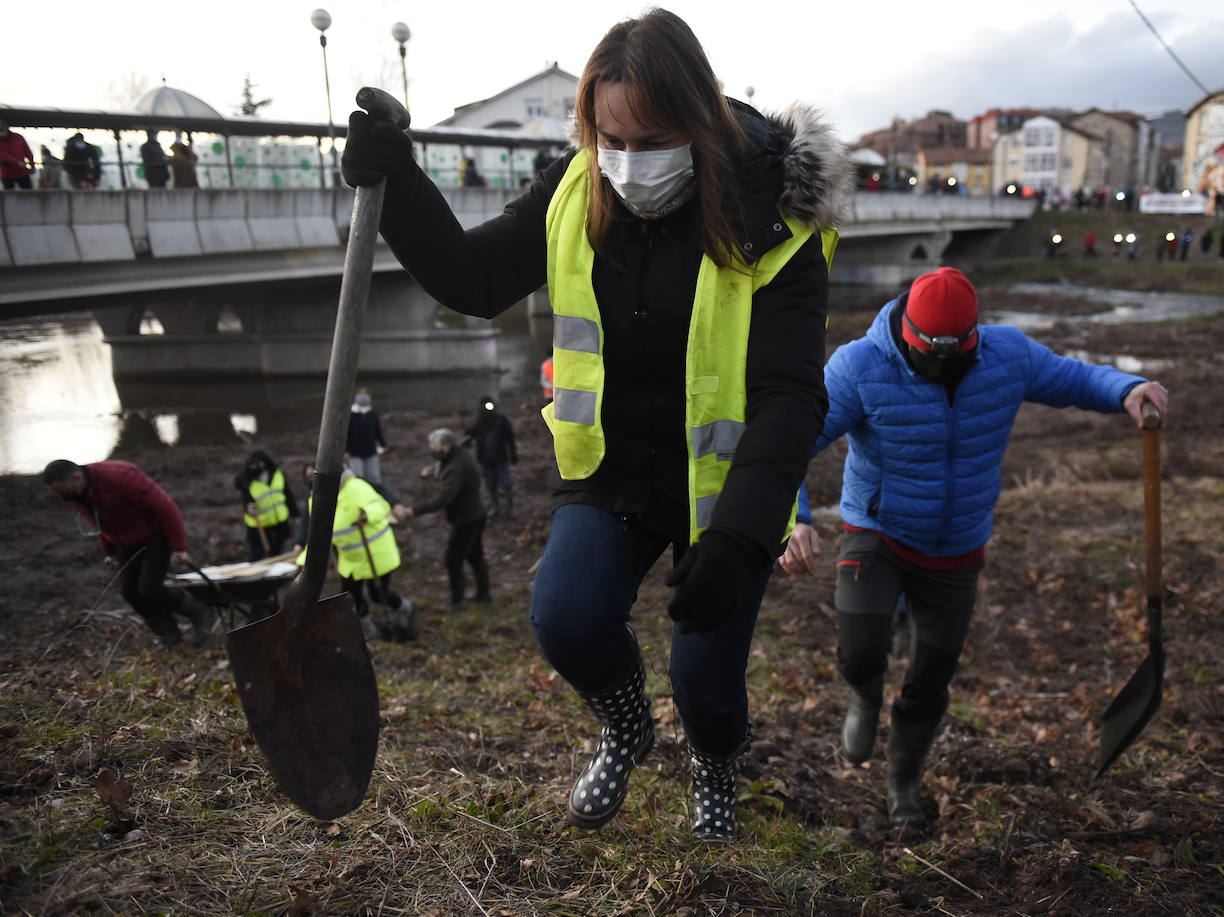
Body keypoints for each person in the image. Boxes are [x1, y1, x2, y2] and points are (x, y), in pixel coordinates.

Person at [341, 7, 843, 842]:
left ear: (700, 120)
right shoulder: (579, 185)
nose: (627, 164)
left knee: (705, 677)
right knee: (564, 614)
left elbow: (792, 393)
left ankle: (714, 761)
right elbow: (475, 275)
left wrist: (745, 535)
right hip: (614, 464)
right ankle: (625, 725)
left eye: (651, 142)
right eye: (610, 139)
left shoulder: (773, 213)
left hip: (725, 487)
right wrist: (399, 186)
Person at [780, 267, 1169, 831]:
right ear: (906, 334)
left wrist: (1126, 388)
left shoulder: (1007, 355)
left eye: (952, 355)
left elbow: (1071, 378)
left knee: (931, 681)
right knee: (862, 650)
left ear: (973, 338)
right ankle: (864, 697)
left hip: (957, 548)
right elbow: (793, 440)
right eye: (927, 355)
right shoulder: (859, 366)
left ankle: (903, 783)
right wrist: (796, 518)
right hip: (878, 533)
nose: (939, 366)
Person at [43, 459, 215, 648]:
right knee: (130, 593)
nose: (64, 498)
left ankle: (198, 610)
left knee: (150, 588)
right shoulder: (78, 495)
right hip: (125, 543)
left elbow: (165, 508)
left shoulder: (120, 476)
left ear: (76, 478)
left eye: (63, 492)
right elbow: (98, 523)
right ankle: (170, 636)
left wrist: (178, 547)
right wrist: (109, 552)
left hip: (155, 537)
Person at [296, 463, 417, 641]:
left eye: (314, 477)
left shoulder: (356, 487)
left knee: (378, 594)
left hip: (375, 554)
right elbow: (317, 532)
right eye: (308, 479)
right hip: (350, 558)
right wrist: (301, 559)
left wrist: (366, 515)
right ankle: (366, 628)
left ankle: (404, 607)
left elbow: (380, 506)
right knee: (350, 596)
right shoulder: (317, 500)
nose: (311, 482)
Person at [396, 429, 490, 610]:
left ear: (446, 446)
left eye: (433, 446)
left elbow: (444, 498)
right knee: (475, 556)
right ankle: (483, 594)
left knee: (453, 560)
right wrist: (434, 473)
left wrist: (412, 511)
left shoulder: (456, 467)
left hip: (466, 519)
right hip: (476, 513)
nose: (431, 449)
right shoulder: (457, 455)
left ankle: (456, 601)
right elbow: (446, 469)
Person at [232, 449, 300, 561]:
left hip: (279, 522)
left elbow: (288, 495)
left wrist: (294, 514)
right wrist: (249, 509)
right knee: (257, 556)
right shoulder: (246, 480)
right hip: (259, 525)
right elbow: (246, 501)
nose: (255, 467)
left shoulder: (277, 474)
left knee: (278, 553)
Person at [466, 396, 518, 518]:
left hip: (501, 459)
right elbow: (468, 434)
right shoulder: (478, 422)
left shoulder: (502, 420)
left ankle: (510, 510)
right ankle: (496, 509)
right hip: (485, 460)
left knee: (505, 485)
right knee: (490, 485)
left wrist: (513, 455)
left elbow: (510, 438)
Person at [345, 390, 387, 484]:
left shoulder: (372, 414)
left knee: (374, 477)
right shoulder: (351, 415)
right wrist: (346, 451)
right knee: (358, 477)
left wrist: (383, 445)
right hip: (354, 452)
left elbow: (377, 431)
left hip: (371, 451)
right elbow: (347, 434)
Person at [0, 121, 36, 190]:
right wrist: (17, 162)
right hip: (7, 174)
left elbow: (27, 151)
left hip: (22, 172)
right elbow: (2, 155)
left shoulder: (18, 137)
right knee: (9, 195)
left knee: (28, 192)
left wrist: (32, 164)